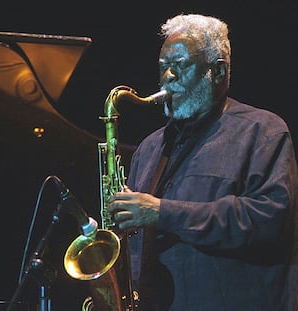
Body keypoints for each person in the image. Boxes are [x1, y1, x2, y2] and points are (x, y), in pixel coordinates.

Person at [107, 13, 298, 310]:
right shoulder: (149, 148)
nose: (168, 77)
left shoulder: (263, 131)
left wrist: (163, 213)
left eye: (180, 66)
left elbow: (267, 221)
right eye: (163, 68)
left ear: (218, 72)